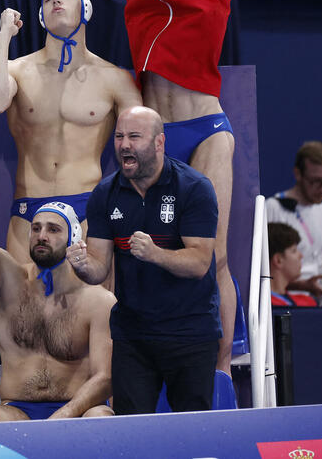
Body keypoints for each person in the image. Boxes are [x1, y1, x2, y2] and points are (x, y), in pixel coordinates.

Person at [85, 0, 248, 373]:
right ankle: (121, 370)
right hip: (151, 136)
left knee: (216, 258)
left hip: (204, 129)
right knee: (125, 260)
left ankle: (223, 370)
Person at [0, 133, 115, 422]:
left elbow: (105, 378)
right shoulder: (7, 279)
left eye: (54, 230)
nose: (42, 235)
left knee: (102, 419)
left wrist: (64, 414)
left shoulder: (98, 300)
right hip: (18, 411)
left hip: (77, 410)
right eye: (36, 228)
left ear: (74, 239)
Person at [0, 0, 141, 264]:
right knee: (21, 305)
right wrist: (4, 34)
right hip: (29, 209)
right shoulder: (17, 70)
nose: (56, 0)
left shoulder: (113, 78)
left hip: (87, 208)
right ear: (41, 16)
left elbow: (140, 147)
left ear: (85, 10)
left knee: (91, 307)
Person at [70, 106, 219, 414]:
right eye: (120, 136)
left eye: (134, 137)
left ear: (159, 143)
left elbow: (199, 263)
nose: (124, 145)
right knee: (131, 433)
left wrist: (155, 254)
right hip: (133, 336)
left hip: (190, 332)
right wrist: (83, 266)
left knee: (192, 434)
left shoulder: (194, 189)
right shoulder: (105, 193)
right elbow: (99, 267)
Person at [265, 141, 322, 305]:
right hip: (284, 305)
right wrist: (305, 286)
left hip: (318, 306)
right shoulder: (273, 208)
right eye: (315, 182)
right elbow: (264, 271)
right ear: (298, 174)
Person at [268, 223, 318, 307]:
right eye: (294, 250)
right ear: (278, 260)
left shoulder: (308, 301)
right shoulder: (264, 307)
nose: (301, 256)